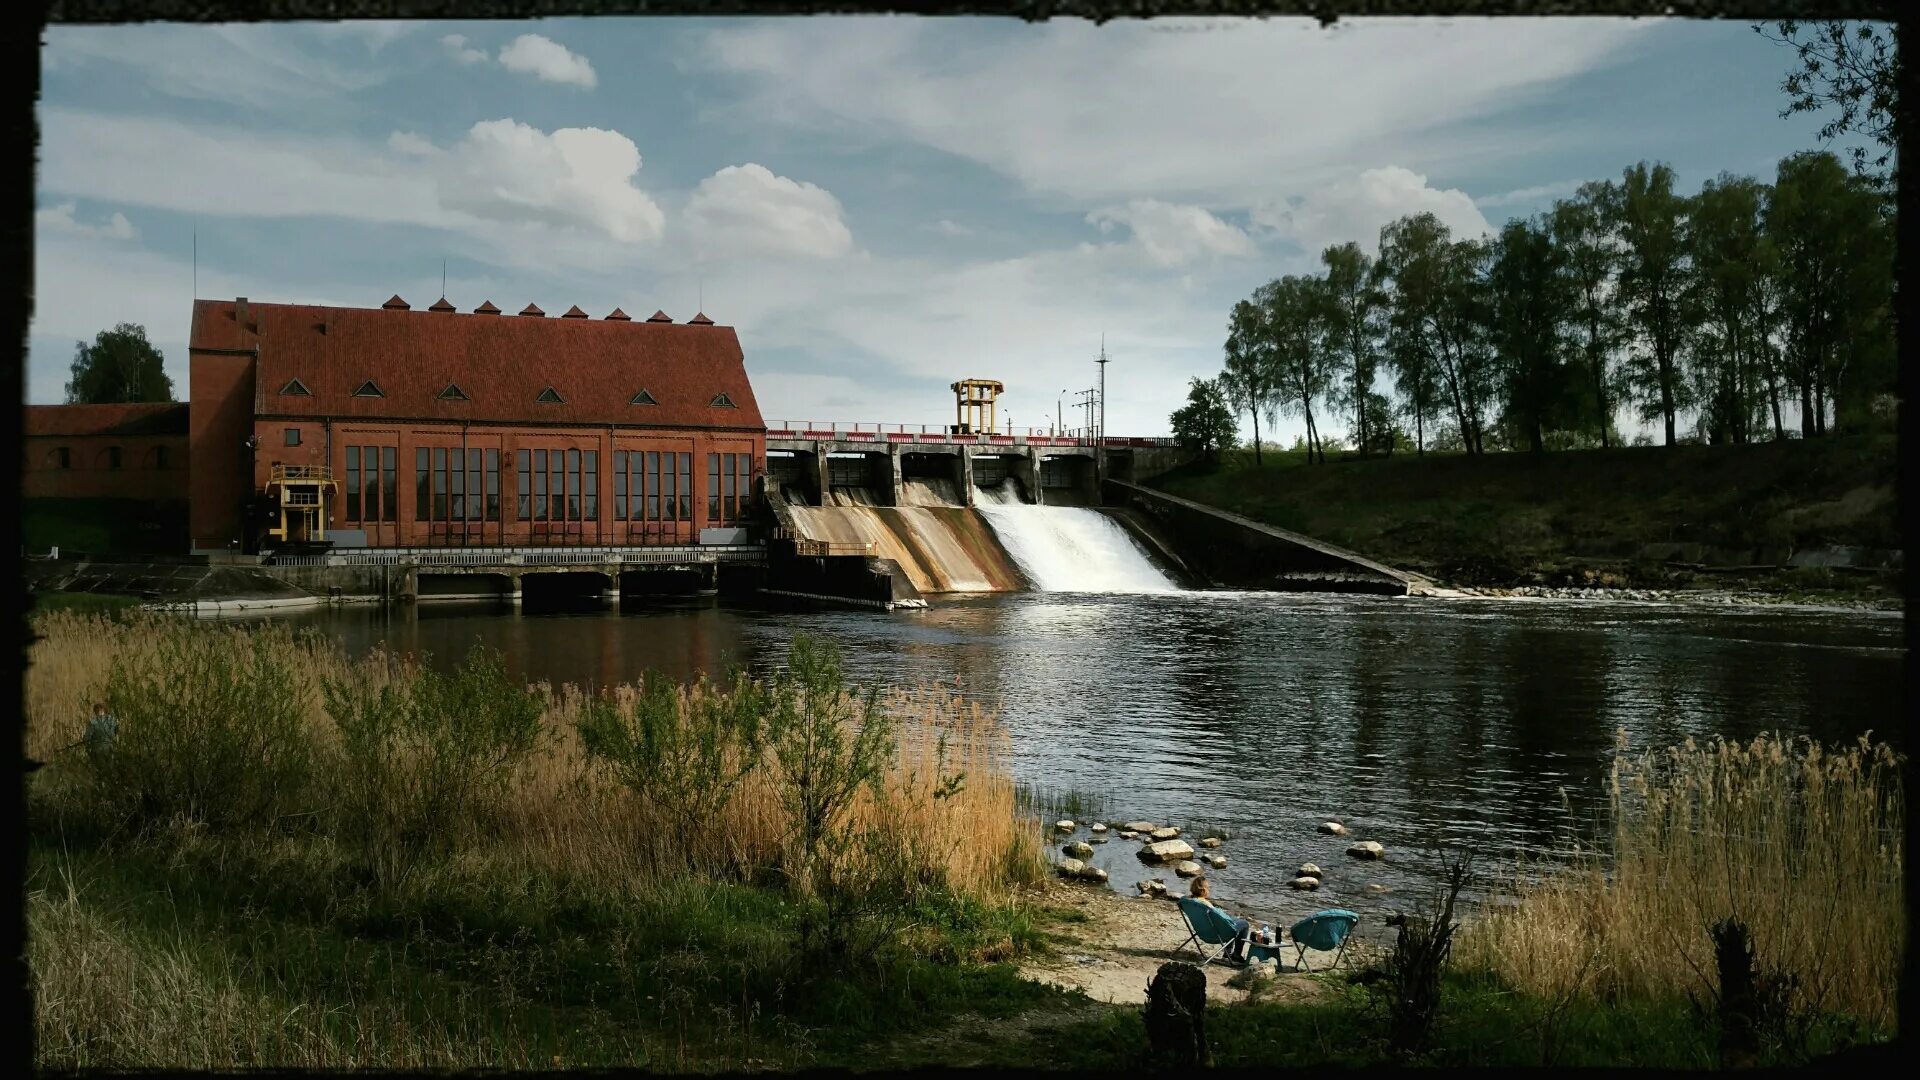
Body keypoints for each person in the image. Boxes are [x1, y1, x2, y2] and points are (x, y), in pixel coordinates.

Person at [1188, 876, 1256, 961]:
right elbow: (1221, 918)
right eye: (1208, 888)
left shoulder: (1190, 902)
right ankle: (1236, 954)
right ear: (1203, 890)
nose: (1209, 890)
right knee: (1244, 924)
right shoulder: (1205, 905)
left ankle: (1227, 953)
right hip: (1216, 934)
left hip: (1202, 932)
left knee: (1233, 920)